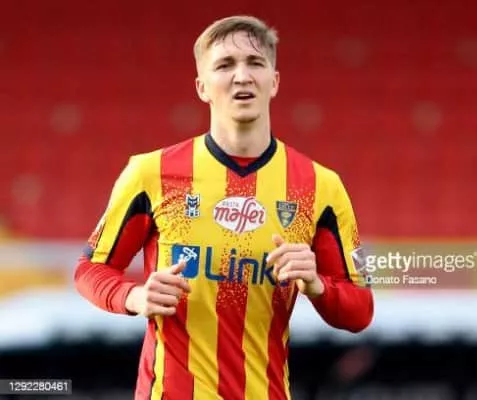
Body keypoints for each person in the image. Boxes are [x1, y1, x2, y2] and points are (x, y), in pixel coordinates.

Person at [74, 15, 373, 400]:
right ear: (202, 87)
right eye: (225, 65)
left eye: (255, 63)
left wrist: (317, 285)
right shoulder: (150, 173)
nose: (242, 76)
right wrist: (134, 297)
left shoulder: (321, 187)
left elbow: (360, 310)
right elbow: (90, 269)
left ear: (274, 82)